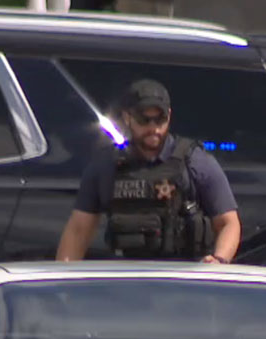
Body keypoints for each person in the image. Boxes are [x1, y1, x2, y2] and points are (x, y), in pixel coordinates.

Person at [55, 79, 242, 263]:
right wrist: (61, 283)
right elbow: (78, 230)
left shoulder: (195, 162)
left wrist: (219, 260)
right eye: (144, 119)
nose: (153, 128)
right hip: (126, 280)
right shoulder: (106, 166)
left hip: (184, 280)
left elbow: (228, 223)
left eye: (159, 119)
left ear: (169, 115)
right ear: (127, 117)